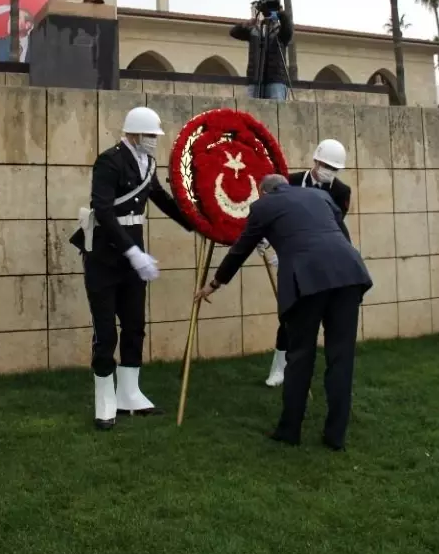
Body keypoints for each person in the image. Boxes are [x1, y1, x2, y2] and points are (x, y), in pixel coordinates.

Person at [196, 174, 372, 450]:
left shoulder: (263, 207)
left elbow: (240, 249)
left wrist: (214, 283)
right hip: (348, 274)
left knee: (300, 356)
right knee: (341, 358)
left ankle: (290, 430)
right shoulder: (321, 196)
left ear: (263, 192)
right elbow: (342, 237)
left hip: (307, 281)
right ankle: (335, 436)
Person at [73, 106, 192, 431]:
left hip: (132, 254)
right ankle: (105, 398)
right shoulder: (109, 161)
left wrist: (194, 223)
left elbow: (160, 197)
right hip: (106, 257)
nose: (154, 141)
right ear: (134, 134)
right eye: (151, 135)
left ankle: (129, 392)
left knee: (135, 325)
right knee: (105, 331)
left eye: (155, 136)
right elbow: (104, 210)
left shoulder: (147, 163)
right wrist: (132, 252)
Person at [264, 138, 351, 388]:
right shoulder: (291, 182)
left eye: (334, 169)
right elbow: (275, 214)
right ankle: (279, 366)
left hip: (324, 260)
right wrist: (272, 243)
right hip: (291, 257)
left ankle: (309, 368)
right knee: (290, 312)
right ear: (315, 160)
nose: (328, 171)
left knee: (319, 312)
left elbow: (331, 227)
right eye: (325, 165)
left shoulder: (341, 192)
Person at [230, 2, 293, 101]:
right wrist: (248, 23)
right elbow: (234, 32)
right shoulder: (254, 31)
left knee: (276, 111)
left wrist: (280, 12)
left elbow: (288, 29)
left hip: (275, 79)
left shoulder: (280, 32)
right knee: (253, 111)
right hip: (254, 79)